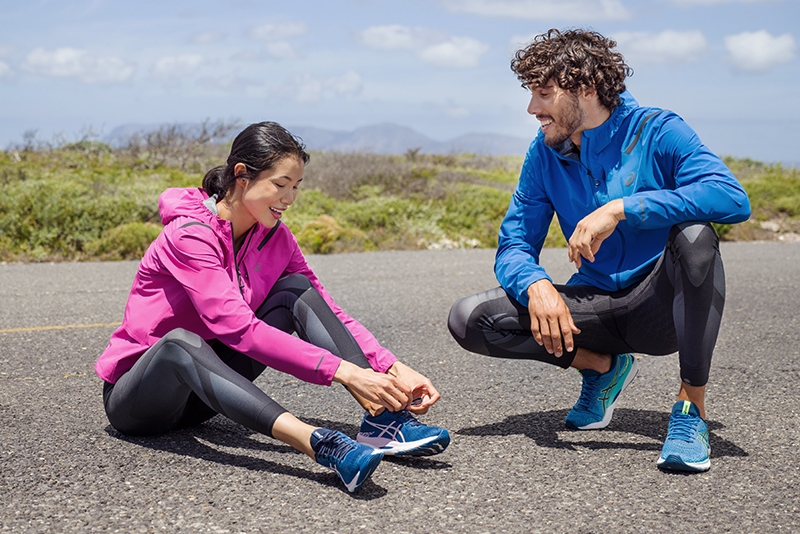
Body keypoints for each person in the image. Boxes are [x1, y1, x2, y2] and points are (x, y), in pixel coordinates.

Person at [448, 29, 750, 473]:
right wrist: (535, 285)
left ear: (586, 89)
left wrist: (624, 208)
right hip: (594, 305)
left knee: (695, 236)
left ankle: (691, 410)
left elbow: (731, 197)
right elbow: (514, 242)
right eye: (532, 94)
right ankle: (602, 367)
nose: (533, 108)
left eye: (544, 94)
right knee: (470, 319)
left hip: (660, 308)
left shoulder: (656, 130)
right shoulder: (544, 154)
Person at [95, 121, 450, 493]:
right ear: (242, 176)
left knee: (294, 291)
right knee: (179, 342)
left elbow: (327, 308)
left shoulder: (276, 237)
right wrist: (342, 371)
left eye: (296, 187)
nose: (289, 198)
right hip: (140, 399)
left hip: (205, 396)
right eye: (280, 185)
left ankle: (384, 419)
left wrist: (388, 366)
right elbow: (237, 328)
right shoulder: (189, 235)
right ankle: (319, 443)